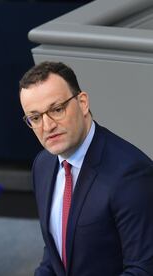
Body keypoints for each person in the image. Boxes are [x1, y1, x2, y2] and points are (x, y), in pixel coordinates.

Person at [19, 61, 153, 275]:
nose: (47, 125)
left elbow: (142, 269)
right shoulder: (42, 166)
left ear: (82, 103)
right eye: (35, 117)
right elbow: (56, 252)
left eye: (57, 109)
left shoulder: (131, 174)